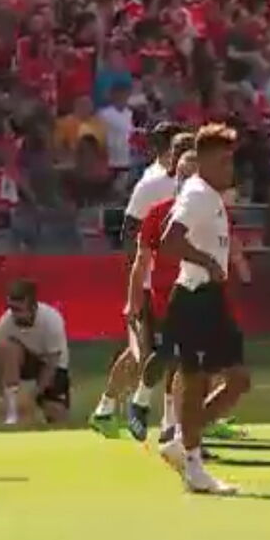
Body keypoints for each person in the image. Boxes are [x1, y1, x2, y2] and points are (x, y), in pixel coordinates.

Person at [158, 123, 251, 494]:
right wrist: (207, 261)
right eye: (225, 161)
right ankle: (194, 465)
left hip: (212, 298)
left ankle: (182, 441)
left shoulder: (211, 196)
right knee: (195, 381)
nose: (231, 169)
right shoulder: (197, 194)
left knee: (238, 379)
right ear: (207, 161)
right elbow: (170, 240)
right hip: (194, 297)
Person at [88, 131, 193, 439]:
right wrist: (136, 279)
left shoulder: (194, 189)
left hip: (176, 279)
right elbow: (130, 231)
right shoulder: (152, 184)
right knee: (146, 353)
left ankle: (173, 419)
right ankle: (114, 409)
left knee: (174, 352)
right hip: (151, 282)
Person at [124, 148, 198, 443]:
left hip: (199, 290)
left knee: (188, 361)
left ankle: (172, 426)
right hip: (167, 293)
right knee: (170, 356)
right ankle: (145, 405)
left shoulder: (209, 211)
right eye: (183, 176)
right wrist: (133, 300)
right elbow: (141, 260)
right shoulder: (158, 213)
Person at [0, 279, 71, 427]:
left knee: (57, 415)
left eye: (19, 309)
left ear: (33, 307)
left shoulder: (52, 320)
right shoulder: (5, 323)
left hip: (52, 366)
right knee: (8, 348)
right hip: (27, 362)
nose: (14, 314)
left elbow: (52, 363)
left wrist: (33, 396)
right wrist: (1, 396)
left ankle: (41, 406)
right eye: (11, 308)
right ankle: (12, 412)